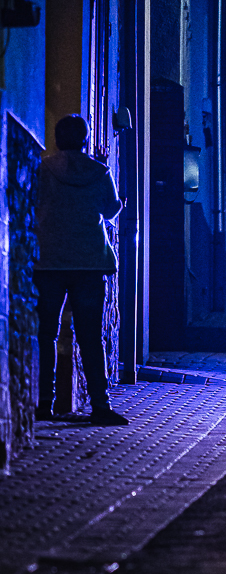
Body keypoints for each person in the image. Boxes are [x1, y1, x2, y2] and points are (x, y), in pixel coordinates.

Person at [34, 114, 127, 425]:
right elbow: (110, 211)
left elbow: (35, 205)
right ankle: (100, 405)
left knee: (46, 333)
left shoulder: (44, 169)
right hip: (89, 261)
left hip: (50, 260)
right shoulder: (99, 171)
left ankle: (43, 403)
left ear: (58, 138)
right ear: (86, 139)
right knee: (90, 336)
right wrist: (121, 204)